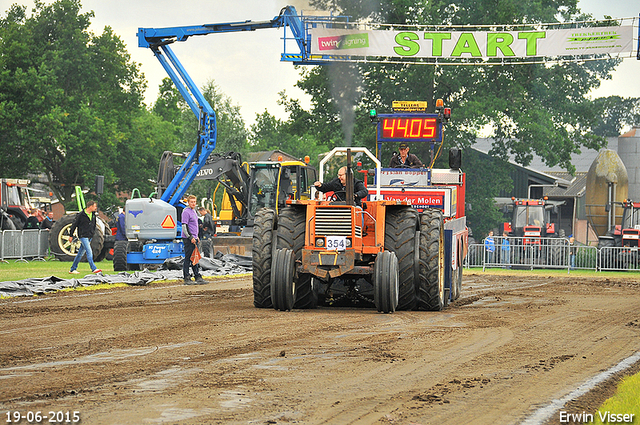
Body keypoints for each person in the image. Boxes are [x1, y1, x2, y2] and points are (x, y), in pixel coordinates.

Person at [68, 200, 101, 274]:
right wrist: (71, 235)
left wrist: (92, 233)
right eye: (95, 206)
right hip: (83, 236)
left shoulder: (93, 215)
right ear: (90, 206)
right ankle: (93, 268)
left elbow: (94, 225)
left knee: (80, 254)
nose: (96, 208)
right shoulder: (81, 215)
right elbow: (74, 225)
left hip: (89, 236)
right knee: (89, 251)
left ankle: (73, 269)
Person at [182, 195, 206, 285]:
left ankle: (197, 276)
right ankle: (186, 277)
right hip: (188, 239)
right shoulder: (186, 212)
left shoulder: (194, 211)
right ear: (188, 202)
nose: (193, 203)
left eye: (194, 202)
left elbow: (194, 225)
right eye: (191, 202)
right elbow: (184, 226)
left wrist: (196, 237)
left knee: (194, 258)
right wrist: (190, 237)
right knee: (188, 258)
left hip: (194, 238)